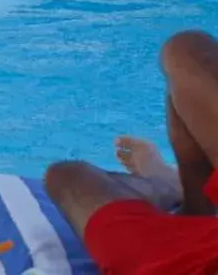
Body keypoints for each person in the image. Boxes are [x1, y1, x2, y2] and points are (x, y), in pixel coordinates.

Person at [43, 30, 218, 275]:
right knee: (186, 52)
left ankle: (170, 187)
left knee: (67, 177)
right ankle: (190, 196)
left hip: (178, 262)